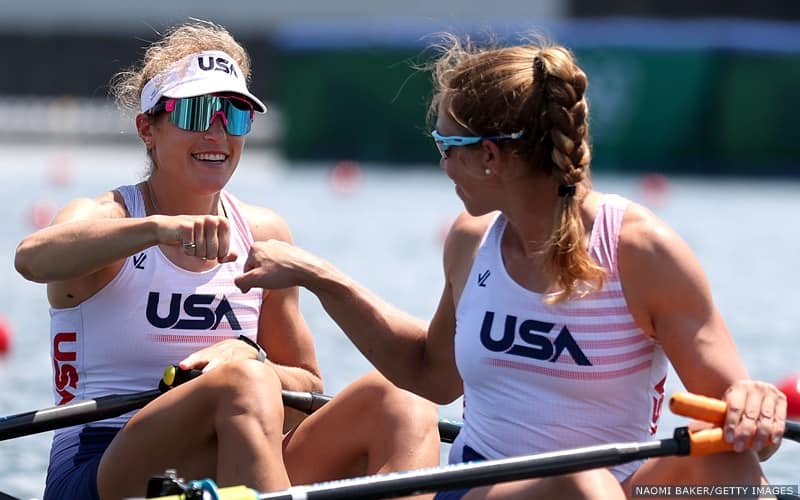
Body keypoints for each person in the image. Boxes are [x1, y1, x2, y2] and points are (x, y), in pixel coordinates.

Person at [233, 34, 788, 499]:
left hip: (616, 489)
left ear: (490, 156)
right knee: (574, 483)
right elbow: (432, 375)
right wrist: (321, 277)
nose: (443, 161)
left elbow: (747, 433)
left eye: (446, 144)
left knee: (729, 469)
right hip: (481, 486)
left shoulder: (643, 253)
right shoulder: (471, 242)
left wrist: (754, 409)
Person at [14, 20, 439, 500]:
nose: (218, 133)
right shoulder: (103, 217)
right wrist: (158, 229)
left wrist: (248, 355)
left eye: (235, 116)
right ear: (147, 129)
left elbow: (304, 391)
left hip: (235, 448)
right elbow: (31, 258)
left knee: (401, 401)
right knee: (242, 384)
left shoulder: (262, 233)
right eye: (198, 113)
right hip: (100, 465)